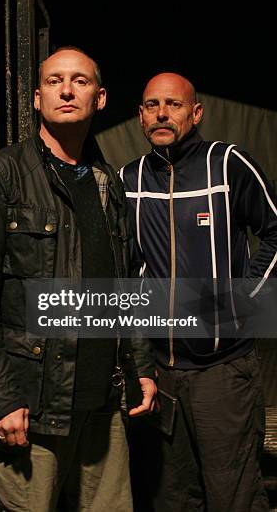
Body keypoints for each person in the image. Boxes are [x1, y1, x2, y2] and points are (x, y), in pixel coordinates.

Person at [0, 47, 157, 512]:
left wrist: (141, 364)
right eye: (54, 81)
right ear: (37, 99)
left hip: (103, 406)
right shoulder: (1, 174)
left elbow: (124, 286)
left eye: (80, 81)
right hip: (35, 407)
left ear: (100, 98)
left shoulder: (108, 182)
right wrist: (1, 397)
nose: (67, 90)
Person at [120, 72, 276, 512]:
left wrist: (244, 298)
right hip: (160, 376)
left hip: (221, 373)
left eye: (173, 104)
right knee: (170, 498)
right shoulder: (127, 179)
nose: (162, 113)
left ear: (196, 112)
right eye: (152, 105)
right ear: (140, 116)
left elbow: (276, 232)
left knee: (234, 497)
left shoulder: (226, 163)